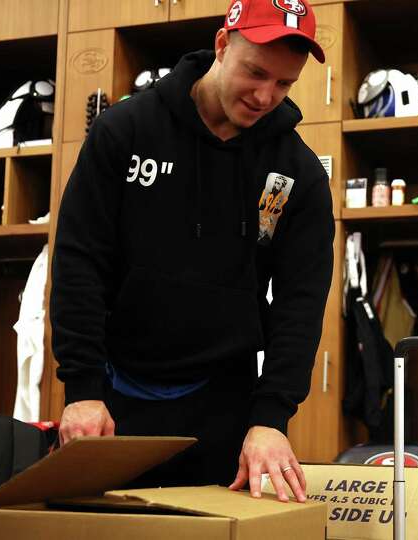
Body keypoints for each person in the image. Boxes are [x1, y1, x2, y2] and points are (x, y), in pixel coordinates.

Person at [50, 0, 333, 505]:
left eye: (285, 84)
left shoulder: (300, 174)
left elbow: (300, 304)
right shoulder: (124, 131)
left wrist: (271, 418)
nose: (266, 95)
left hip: (225, 403)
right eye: (256, 72)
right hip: (115, 400)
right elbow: (80, 261)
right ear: (222, 46)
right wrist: (82, 389)